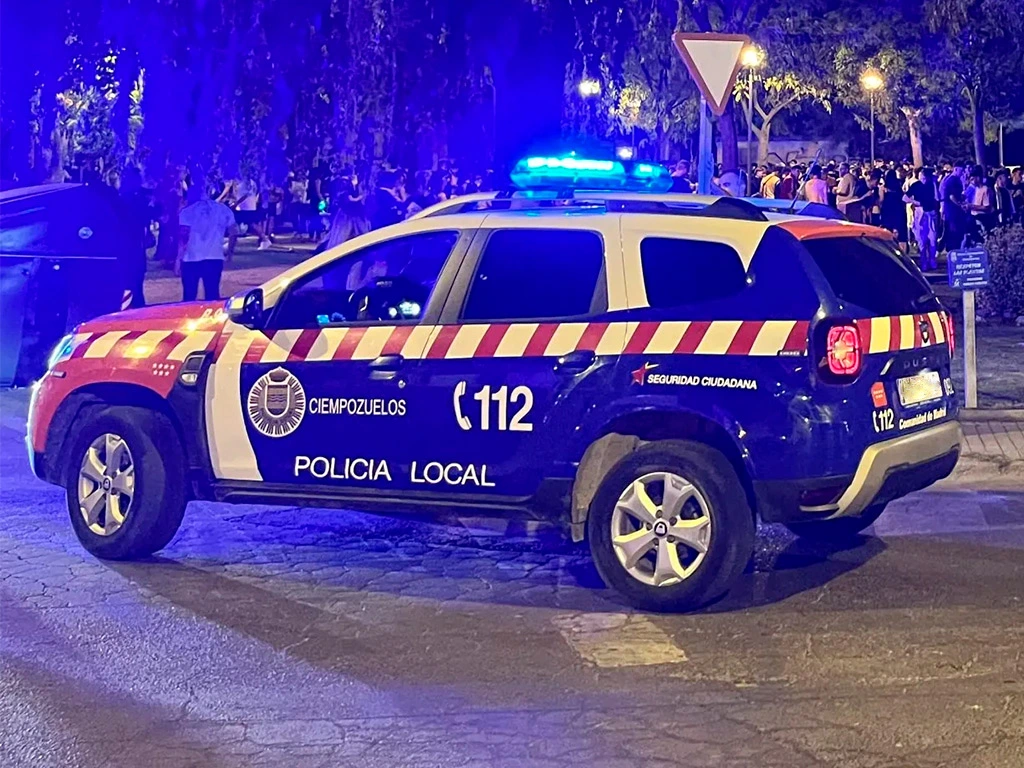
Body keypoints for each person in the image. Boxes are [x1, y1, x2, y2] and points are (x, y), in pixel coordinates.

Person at [177, 185, 238, 301]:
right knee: (212, 294)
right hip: (214, 257)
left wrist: (178, 258)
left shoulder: (187, 212)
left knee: (189, 296)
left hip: (191, 258)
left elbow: (183, 237)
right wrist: (230, 253)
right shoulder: (223, 209)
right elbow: (234, 232)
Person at [903, 167, 939, 271]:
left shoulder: (931, 185)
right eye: (921, 176)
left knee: (932, 238)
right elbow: (905, 198)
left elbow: (937, 198)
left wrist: (934, 184)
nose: (922, 178)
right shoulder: (916, 185)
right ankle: (924, 262)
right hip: (920, 213)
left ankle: (932, 260)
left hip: (931, 213)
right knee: (921, 240)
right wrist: (916, 203)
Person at [880, 169, 909, 253]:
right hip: (899, 211)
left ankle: (890, 252)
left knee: (888, 232)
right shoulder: (899, 186)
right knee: (901, 233)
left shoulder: (884, 188)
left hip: (888, 211)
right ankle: (903, 253)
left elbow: (881, 200)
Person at [939, 165, 966, 251]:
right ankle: (951, 250)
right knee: (953, 231)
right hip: (952, 210)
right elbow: (951, 196)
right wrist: (959, 204)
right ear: (956, 169)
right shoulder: (952, 180)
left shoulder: (951, 179)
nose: (961, 173)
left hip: (951, 210)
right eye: (960, 171)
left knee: (950, 230)